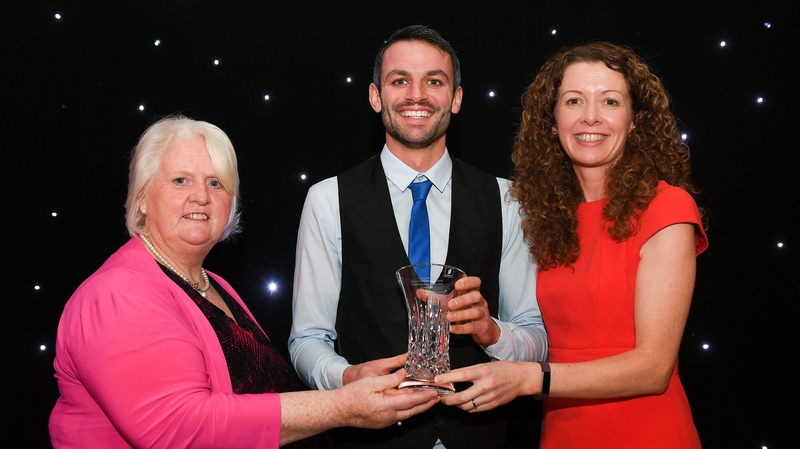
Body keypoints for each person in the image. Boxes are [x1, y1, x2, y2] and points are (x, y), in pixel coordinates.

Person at [49, 115, 439, 449]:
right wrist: (342, 406)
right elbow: (179, 430)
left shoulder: (211, 283)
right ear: (143, 197)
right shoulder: (117, 295)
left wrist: (349, 381)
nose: (201, 196)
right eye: (181, 180)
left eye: (216, 183)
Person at [434, 42, 708, 448]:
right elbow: (537, 333)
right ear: (552, 120)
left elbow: (654, 367)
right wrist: (487, 329)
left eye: (610, 101)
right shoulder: (546, 220)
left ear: (635, 121)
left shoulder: (666, 207)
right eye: (574, 100)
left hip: (647, 431)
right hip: (563, 431)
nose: (590, 116)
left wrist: (529, 378)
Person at [289, 25, 548, 449]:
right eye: (399, 80)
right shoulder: (326, 200)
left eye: (434, 80)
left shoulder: (507, 200)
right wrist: (347, 378)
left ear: (457, 98)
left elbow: (535, 336)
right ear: (376, 96)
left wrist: (491, 332)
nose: (416, 95)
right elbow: (308, 339)